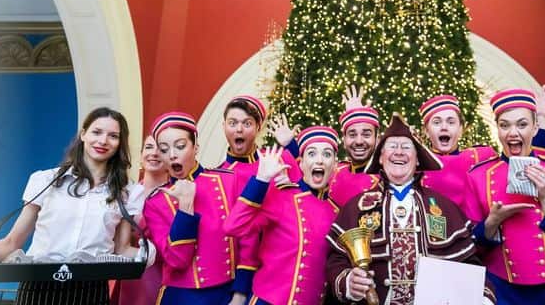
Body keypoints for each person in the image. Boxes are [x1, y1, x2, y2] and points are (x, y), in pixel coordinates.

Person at [326, 114, 496, 304]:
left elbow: (468, 263)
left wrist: (482, 297)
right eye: (392, 146)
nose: (399, 152)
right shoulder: (356, 207)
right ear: (380, 158)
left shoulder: (443, 206)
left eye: (406, 147)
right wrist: (349, 282)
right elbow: (336, 259)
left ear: (417, 160)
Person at [0, 107, 144, 305]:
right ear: (83, 134)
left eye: (113, 136)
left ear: (120, 143)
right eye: (96, 132)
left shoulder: (128, 191)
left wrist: (151, 253)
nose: (103, 141)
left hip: (91, 290)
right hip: (37, 286)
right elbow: (13, 242)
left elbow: (121, 250)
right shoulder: (45, 180)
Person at [465, 88, 545, 305]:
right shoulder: (478, 176)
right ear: (498, 130)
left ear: (535, 127)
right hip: (499, 289)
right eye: (505, 125)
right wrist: (492, 222)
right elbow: (470, 248)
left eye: (522, 124)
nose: (513, 133)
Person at [141, 112, 252, 305]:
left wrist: (241, 293)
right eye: (164, 149)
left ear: (195, 147)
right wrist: (185, 208)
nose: (173, 154)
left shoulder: (227, 180)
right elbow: (177, 260)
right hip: (181, 297)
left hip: (228, 293)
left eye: (180, 146)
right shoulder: (156, 202)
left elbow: (248, 238)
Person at [223, 126, 341, 304]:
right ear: (300, 163)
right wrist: (261, 179)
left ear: (335, 164)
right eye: (311, 153)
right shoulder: (282, 196)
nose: (319, 161)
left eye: (326, 154)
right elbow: (233, 226)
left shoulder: (336, 212)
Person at [418, 87, 545, 207]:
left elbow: (527, 163)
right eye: (437, 122)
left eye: (451, 122)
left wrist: (540, 118)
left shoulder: (481, 155)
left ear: (461, 129)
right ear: (426, 130)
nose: (444, 127)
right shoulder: (417, 164)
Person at [112, 135, 169, 305]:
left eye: (162, 149)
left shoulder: (178, 195)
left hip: (161, 276)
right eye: (149, 147)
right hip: (125, 275)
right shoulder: (125, 193)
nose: (154, 153)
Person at [328, 86, 380, 206]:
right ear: (344, 140)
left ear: (377, 139)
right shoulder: (332, 174)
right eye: (352, 134)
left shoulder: (389, 178)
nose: (359, 141)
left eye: (366, 134)